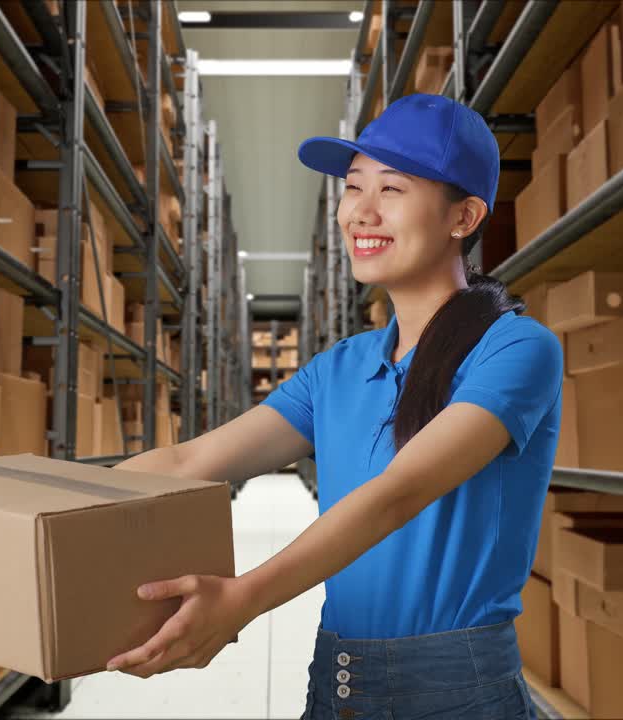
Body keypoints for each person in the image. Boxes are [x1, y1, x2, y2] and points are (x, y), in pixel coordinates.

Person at [107, 93, 562, 719]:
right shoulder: (340, 368)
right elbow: (188, 462)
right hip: (338, 680)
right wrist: (43, 510)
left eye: (393, 190)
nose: (361, 213)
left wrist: (243, 598)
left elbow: (398, 493)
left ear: (463, 217)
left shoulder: (516, 349)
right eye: (353, 188)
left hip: (457, 691)